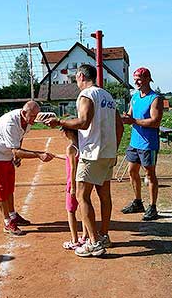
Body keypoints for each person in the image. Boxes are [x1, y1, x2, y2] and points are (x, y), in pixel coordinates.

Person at [45, 64, 124, 257]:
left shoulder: (86, 95)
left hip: (91, 153)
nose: (75, 81)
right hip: (107, 153)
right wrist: (113, 148)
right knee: (104, 196)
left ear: (81, 76)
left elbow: (83, 122)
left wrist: (59, 122)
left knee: (82, 196)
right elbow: (119, 126)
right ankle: (103, 235)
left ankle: (94, 242)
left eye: (75, 77)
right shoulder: (108, 96)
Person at [0, 101, 54, 235]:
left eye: (36, 116)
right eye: (32, 116)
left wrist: (17, 155)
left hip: (7, 154)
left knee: (9, 187)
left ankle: (13, 215)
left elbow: (19, 140)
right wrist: (39, 155)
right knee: (1, 190)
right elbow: (15, 150)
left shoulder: (27, 121)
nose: (34, 119)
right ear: (23, 113)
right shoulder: (10, 123)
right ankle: (7, 222)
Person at [121, 67, 163, 220]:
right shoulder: (135, 97)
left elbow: (155, 121)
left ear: (147, 79)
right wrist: (124, 118)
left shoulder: (155, 98)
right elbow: (130, 115)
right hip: (134, 142)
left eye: (139, 78)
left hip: (148, 144)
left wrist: (133, 121)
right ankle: (138, 202)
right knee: (132, 171)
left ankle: (153, 207)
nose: (136, 81)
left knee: (150, 174)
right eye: (135, 78)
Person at [61, 125, 88, 250]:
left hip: (73, 183)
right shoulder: (82, 144)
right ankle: (85, 236)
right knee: (84, 208)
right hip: (83, 182)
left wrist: (72, 187)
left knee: (71, 211)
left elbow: (73, 168)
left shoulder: (70, 148)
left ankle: (74, 239)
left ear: (68, 132)